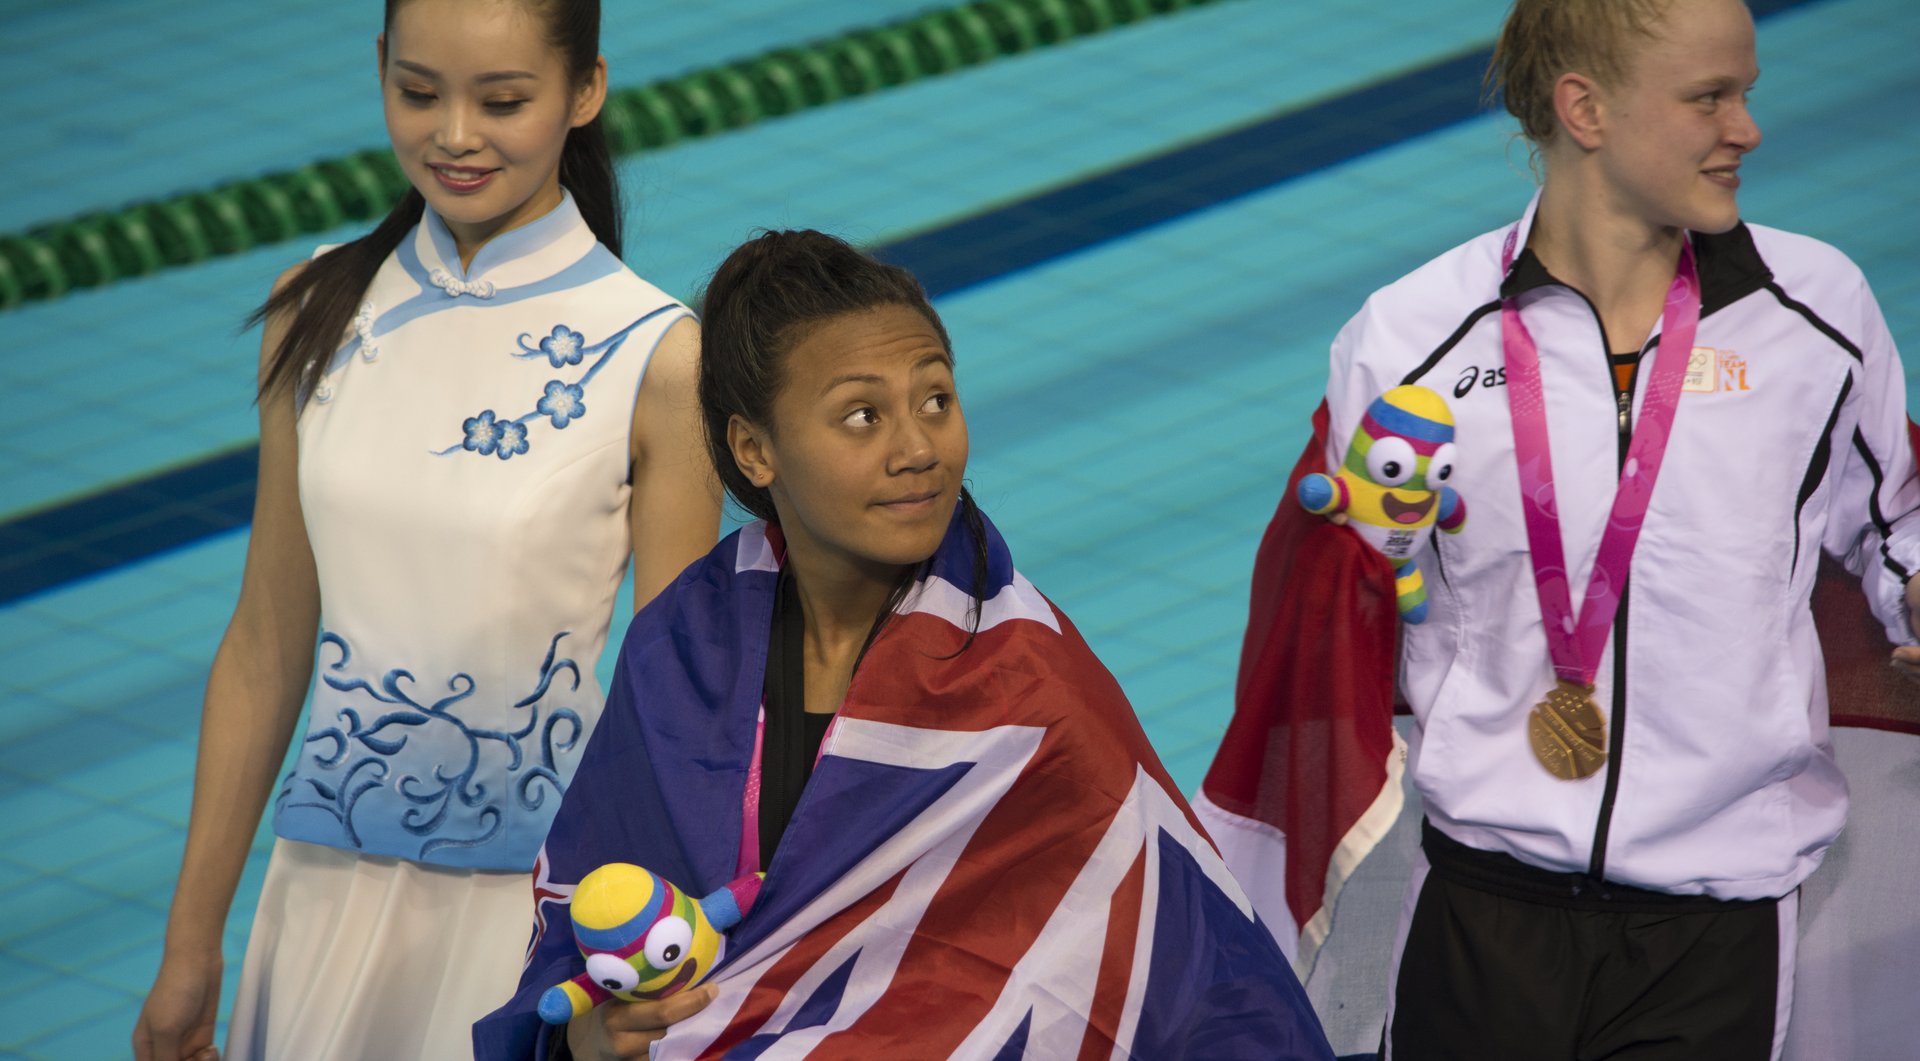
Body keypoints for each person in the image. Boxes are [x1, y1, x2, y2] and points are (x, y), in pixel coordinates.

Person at [1204, 0, 1920, 1058]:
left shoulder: (1816, 313)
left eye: (1747, 93)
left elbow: (1896, 513)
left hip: (1717, 916)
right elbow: (1348, 597)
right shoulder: (1413, 336)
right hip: (1486, 908)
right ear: (1584, 108)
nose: (1748, 129)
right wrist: (1373, 542)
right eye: (1708, 98)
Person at [471, 230, 1336, 1060]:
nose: (918, 447)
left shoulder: (1025, 686)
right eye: (861, 416)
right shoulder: (686, 651)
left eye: (935, 399)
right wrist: (587, 1039)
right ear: (754, 449)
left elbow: (1188, 968)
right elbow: (589, 917)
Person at [131, 1, 720, 1058]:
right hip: (316, 899)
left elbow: (674, 700)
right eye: (417, 92)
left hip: (530, 918)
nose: (453, 134)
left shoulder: (654, 353)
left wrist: (643, 959)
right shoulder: (311, 310)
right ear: (378, 71)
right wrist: (191, 944)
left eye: (503, 100)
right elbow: (266, 645)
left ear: (585, 90)